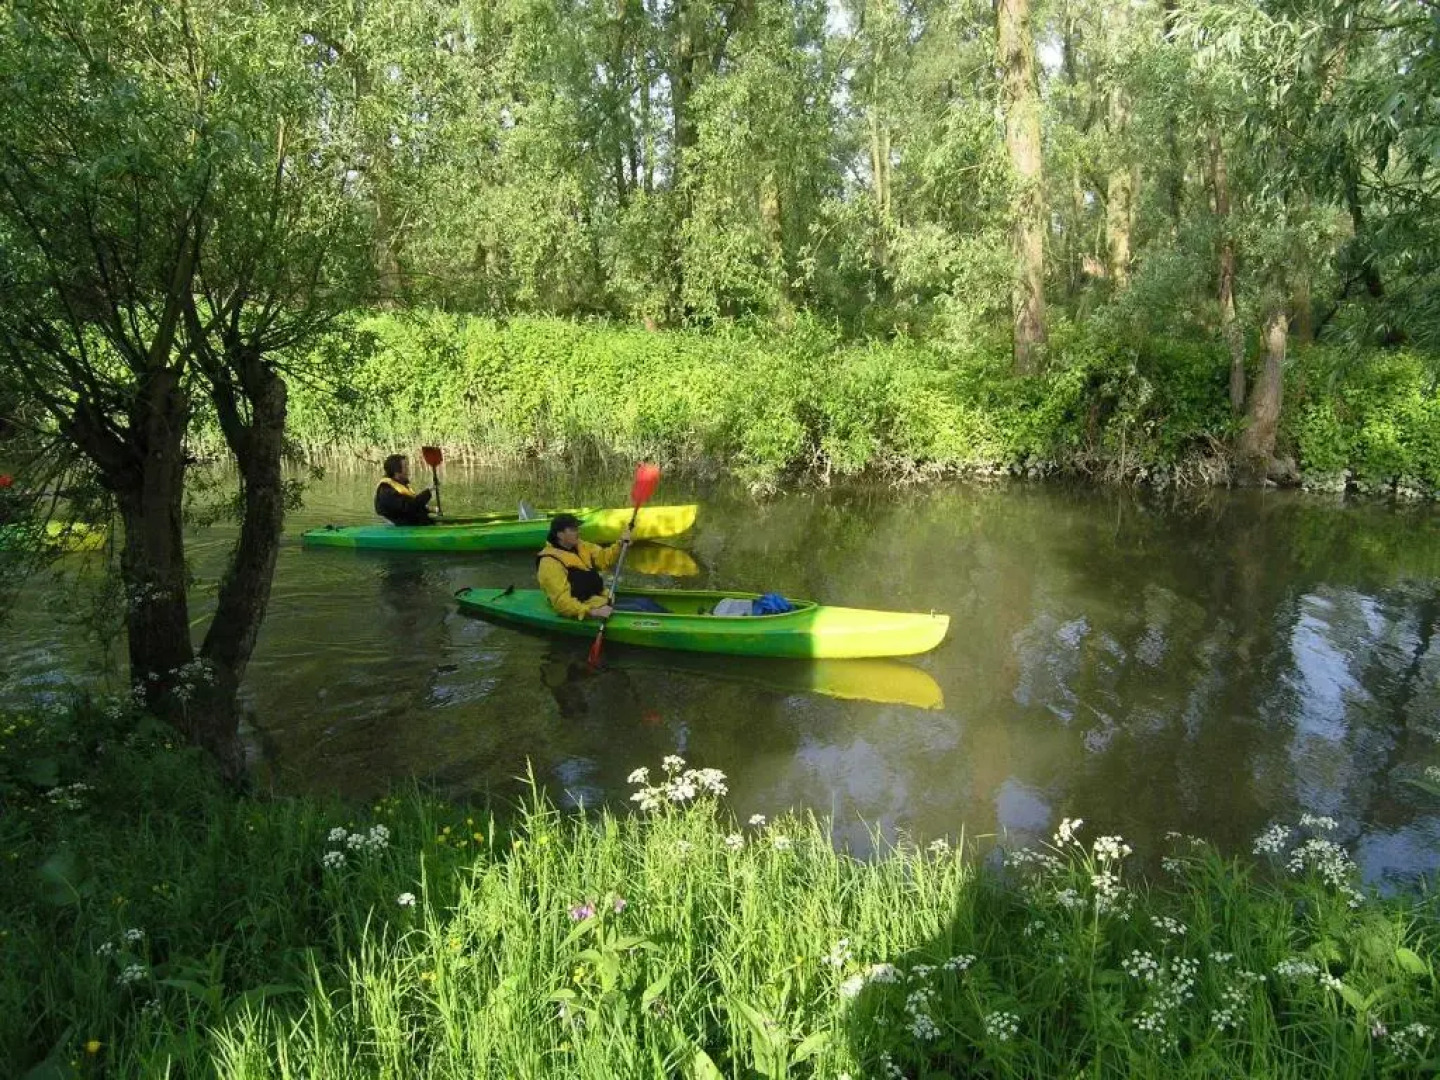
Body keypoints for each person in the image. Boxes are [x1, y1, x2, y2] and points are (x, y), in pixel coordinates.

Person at [536, 512, 667, 619]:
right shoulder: (549, 563)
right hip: (587, 607)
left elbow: (604, 559)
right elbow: (562, 603)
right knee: (641, 608)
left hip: (600, 598)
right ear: (560, 534)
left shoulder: (581, 546)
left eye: (577, 528)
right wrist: (593, 612)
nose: (578, 532)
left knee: (645, 602)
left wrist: (620, 544)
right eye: (573, 529)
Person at [374, 454, 436, 526]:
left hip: (413, 522)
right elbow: (409, 507)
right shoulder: (386, 491)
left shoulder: (401, 485)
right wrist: (428, 491)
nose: (408, 469)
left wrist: (429, 510)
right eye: (405, 467)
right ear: (397, 472)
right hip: (400, 527)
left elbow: (413, 506)